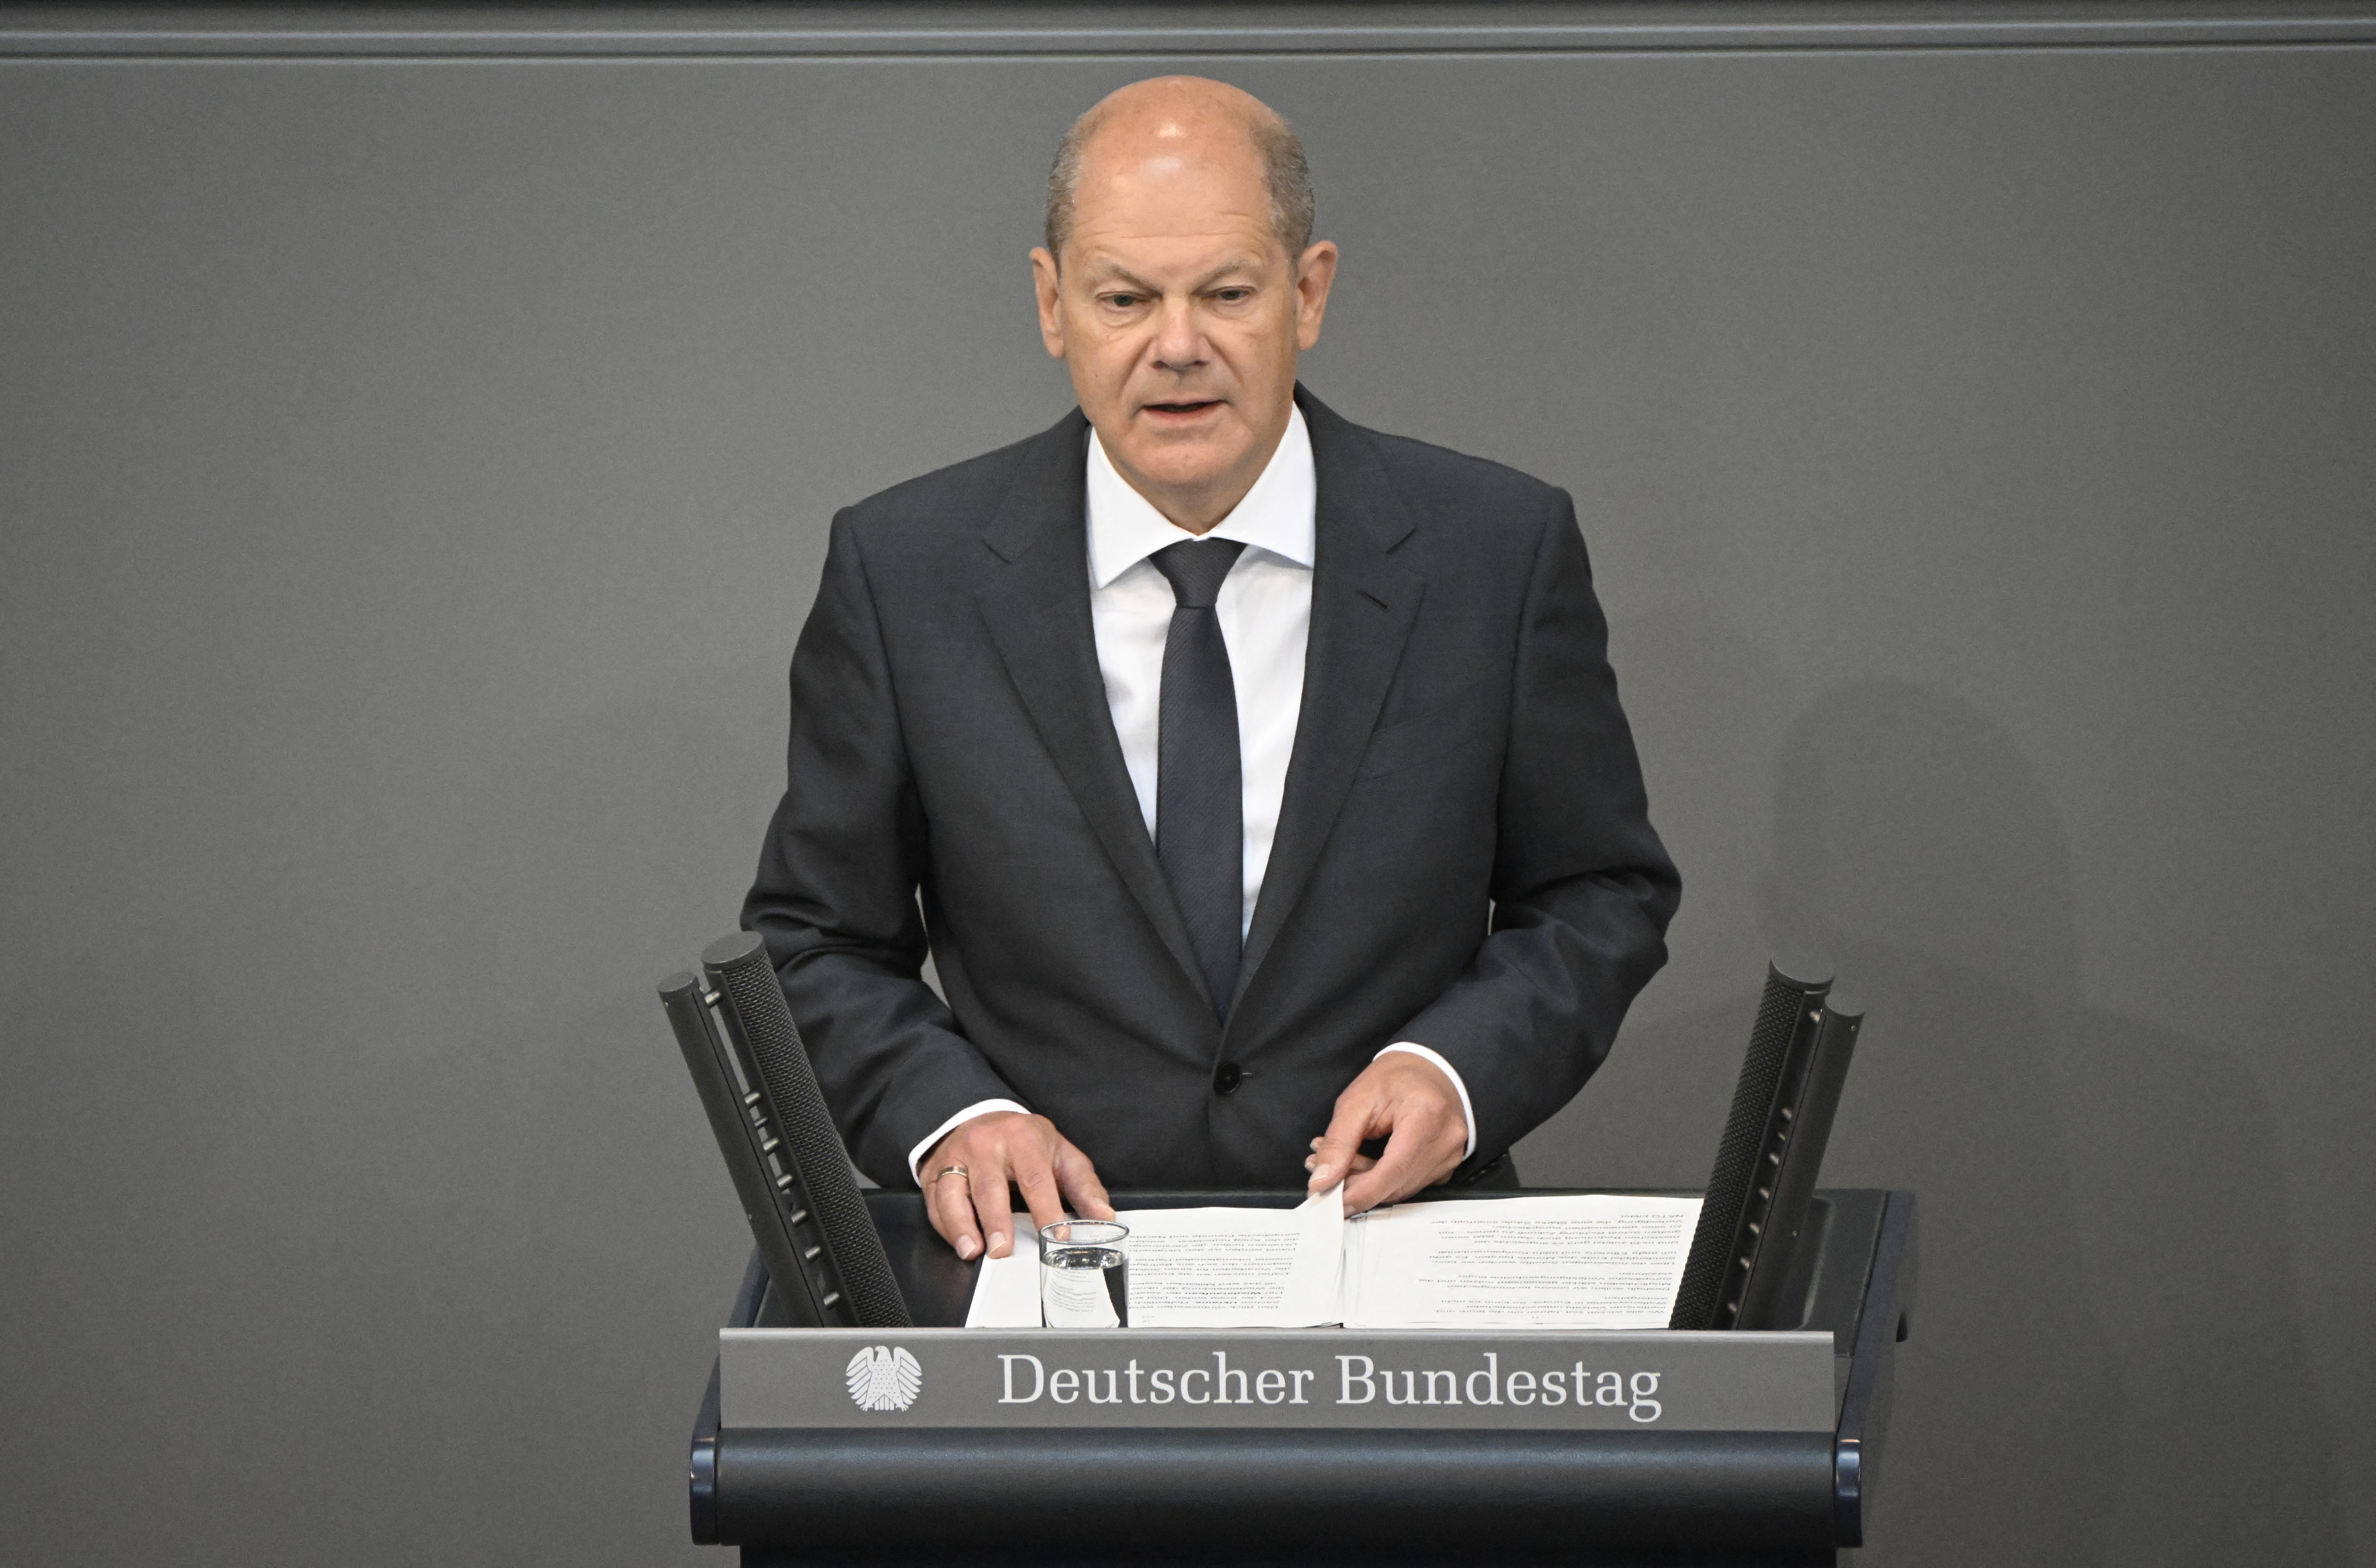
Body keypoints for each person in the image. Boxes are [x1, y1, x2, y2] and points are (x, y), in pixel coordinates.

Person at [742, 76, 1678, 1263]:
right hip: (1047, 1279)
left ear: (1308, 291)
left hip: (1400, 1265)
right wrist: (953, 1118)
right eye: (1124, 297)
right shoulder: (903, 569)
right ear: (1050, 302)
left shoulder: (1493, 549)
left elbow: (1599, 891)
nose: (1175, 346)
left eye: (1226, 293)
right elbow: (813, 937)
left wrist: (1456, 1069)